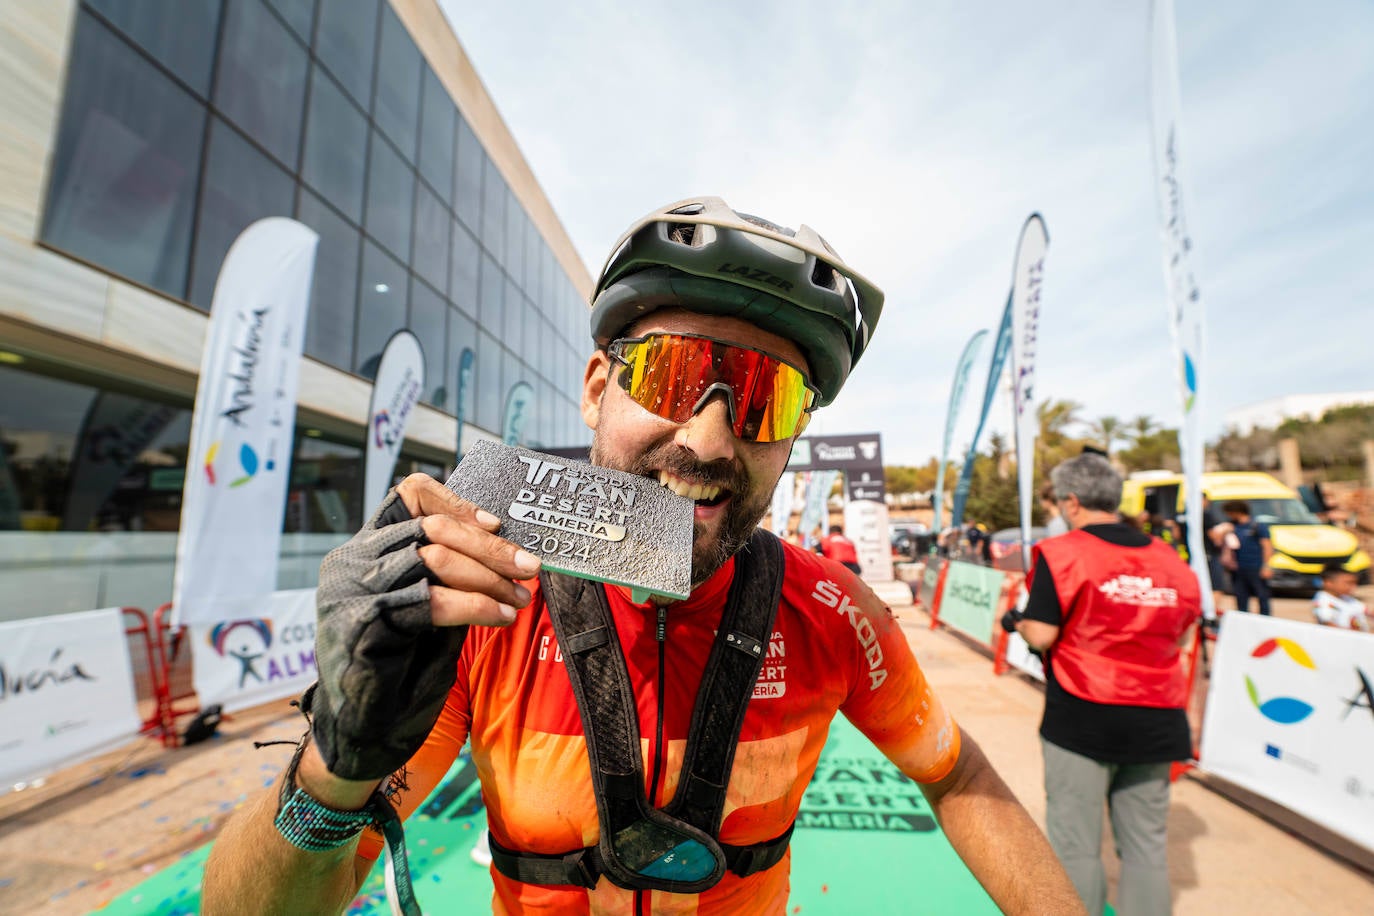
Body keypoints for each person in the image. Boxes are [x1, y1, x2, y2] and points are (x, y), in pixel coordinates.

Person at [202, 197, 1084, 915]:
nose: (704, 441)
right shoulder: (484, 596)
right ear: (596, 390)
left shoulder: (832, 610)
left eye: (763, 399)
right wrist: (334, 765)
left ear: (793, 441)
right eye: (668, 375)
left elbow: (956, 767)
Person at [1005, 454, 1200, 916]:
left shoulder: (1064, 553)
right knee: (1146, 848)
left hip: (1083, 713)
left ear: (1071, 502)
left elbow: (1043, 633)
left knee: (1076, 844)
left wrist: (1017, 621)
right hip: (1160, 717)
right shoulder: (1168, 558)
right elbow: (1185, 633)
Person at [1222, 500, 1273, 616]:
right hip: (1238, 568)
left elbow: (1267, 547)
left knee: (1262, 596)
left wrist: (1266, 566)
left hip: (1255, 567)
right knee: (1241, 597)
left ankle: (1265, 620)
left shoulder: (1257, 526)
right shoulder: (1231, 526)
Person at [1311, 563, 1370, 631]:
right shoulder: (1323, 601)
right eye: (1348, 583)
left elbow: (1367, 612)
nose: (1354, 586)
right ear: (1328, 583)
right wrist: (1355, 633)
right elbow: (1328, 624)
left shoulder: (1349, 599)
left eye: (1355, 583)